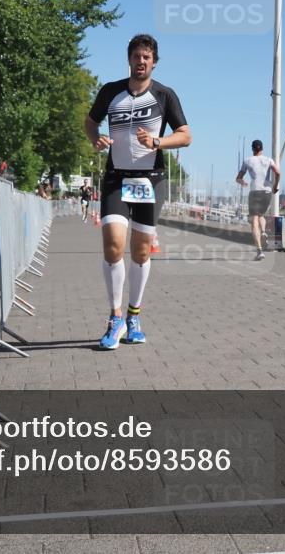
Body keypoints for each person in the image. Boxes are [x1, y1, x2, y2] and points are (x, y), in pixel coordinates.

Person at [84, 33, 191, 350]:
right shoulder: (110, 91)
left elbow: (185, 135)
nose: (141, 61)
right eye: (136, 56)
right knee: (114, 245)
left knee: (141, 251)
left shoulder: (164, 95)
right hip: (117, 177)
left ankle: (134, 316)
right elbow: (90, 122)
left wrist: (158, 141)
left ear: (154, 62)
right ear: (128, 59)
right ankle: (115, 317)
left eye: (146, 57)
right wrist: (96, 138)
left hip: (150, 180)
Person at [235, 139, 280, 261]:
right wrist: (275, 186)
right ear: (262, 148)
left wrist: (243, 182)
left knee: (254, 219)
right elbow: (278, 172)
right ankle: (264, 231)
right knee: (261, 215)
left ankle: (259, 251)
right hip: (267, 192)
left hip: (255, 191)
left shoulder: (248, 161)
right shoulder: (269, 160)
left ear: (253, 149)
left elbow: (238, 178)